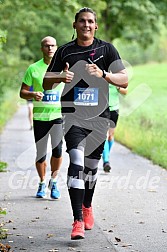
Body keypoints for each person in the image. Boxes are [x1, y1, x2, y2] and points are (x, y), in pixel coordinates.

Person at [43, 7, 128, 240]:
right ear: (75, 25)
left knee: (91, 168)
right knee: (77, 162)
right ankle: (77, 219)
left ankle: (87, 205)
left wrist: (104, 75)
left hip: (100, 118)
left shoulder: (106, 49)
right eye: (82, 21)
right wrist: (60, 76)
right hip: (72, 117)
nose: (86, 25)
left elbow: (125, 78)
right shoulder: (65, 52)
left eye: (91, 21)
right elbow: (45, 83)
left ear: (96, 26)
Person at [20, 36, 64, 200]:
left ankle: (54, 181)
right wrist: (32, 94)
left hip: (57, 116)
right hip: (40, 117)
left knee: (58, 151)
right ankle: (42, 182)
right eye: (47, 46)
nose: (50, 48)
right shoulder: (33, 68)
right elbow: (22, 92)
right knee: (41, 154)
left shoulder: (62, 68)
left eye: (53, 45)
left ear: (56, 47)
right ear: (42, 49)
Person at [102, 86, 128, 172]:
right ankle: (106, 161)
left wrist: (118, 87)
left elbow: (125, 92)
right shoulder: (101, 73)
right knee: (104, 135)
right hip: (102, 109)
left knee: (110, 136)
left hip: (114, 109)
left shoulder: (117, 74)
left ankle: (106, 156)